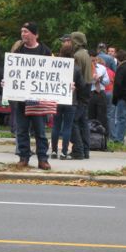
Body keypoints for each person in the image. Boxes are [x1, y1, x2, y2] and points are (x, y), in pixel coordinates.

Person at [12, 22, 52, 170]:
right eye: (22, 31)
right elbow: (12, 72)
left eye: (26, 31)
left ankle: (43, 159)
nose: (23, 34)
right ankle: (24, 157)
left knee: (40, 131)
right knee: (22, 130)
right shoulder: (18, 51)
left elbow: (53, 74)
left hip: (38, 101)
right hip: (21, 100)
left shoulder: (45, 51)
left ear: (35, 34)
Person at [51, 44, 81, 159]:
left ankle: (54, 151)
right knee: (67, 127)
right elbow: (81, 84)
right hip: (71, 100)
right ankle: (64, 152)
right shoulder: (76, 68)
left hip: (57, 99)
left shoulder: (56, 66)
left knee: (56, 126)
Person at [69, 32, 92, 160]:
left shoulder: (77, 55)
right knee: (83, 121)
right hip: (87, 88)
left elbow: (76, 75)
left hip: (81, 89)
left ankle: (78, 149)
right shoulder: (86, 54)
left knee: (73, 121)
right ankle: (85, 149)